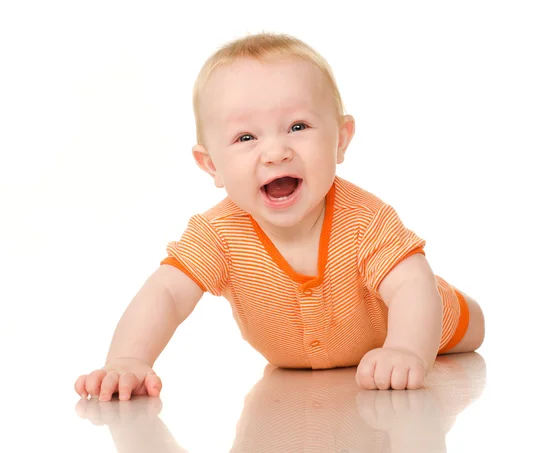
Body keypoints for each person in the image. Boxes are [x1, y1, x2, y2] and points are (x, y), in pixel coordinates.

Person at [74, 32, 485, 401]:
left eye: (298, 126)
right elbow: (164, 294)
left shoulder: (365, 220)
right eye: (246, 137)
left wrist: (406, 349)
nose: (275, 152)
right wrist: (127, 359)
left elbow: (411, 284)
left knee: (463, 318)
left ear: (340, 140)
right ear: (211, 164)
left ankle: (460, 314)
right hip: (301, 378)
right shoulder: (217, 235)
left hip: (427, 319)